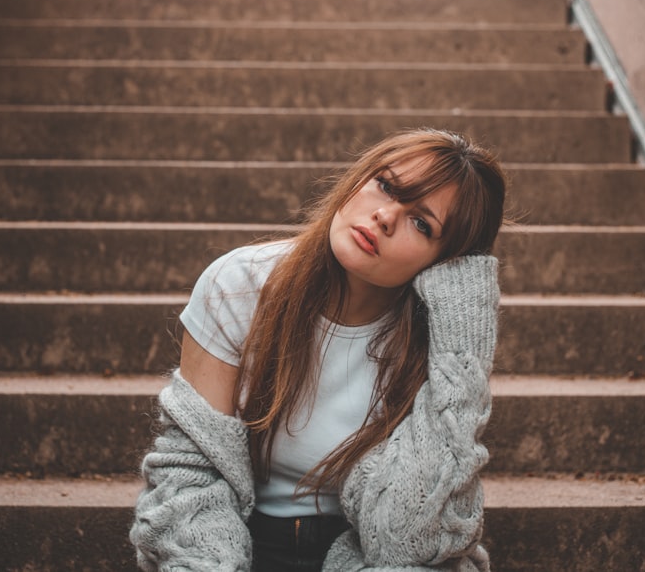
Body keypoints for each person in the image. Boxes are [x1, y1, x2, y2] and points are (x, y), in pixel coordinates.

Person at [131, 128, 507, 571]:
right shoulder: (238, 286)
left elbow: (409, 543)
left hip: (365, 554)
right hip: (235, 539)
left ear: (446, 263)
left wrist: (463, 350)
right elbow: (191, 475)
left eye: (422, 223)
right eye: (385, 185)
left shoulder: (437, 340)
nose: (385, 216)